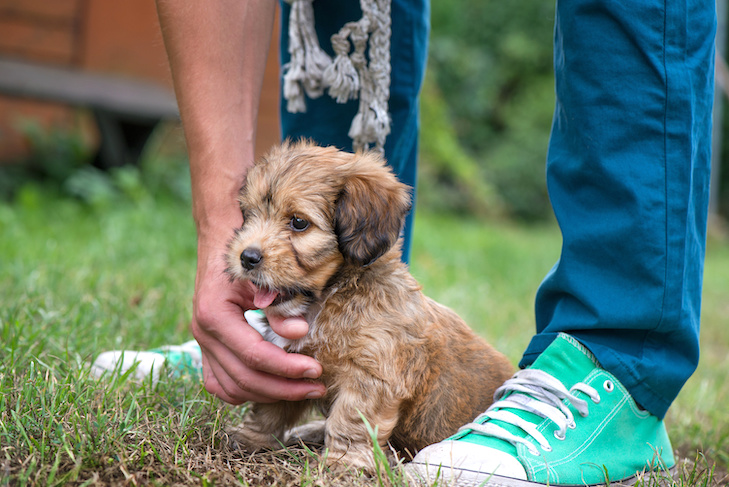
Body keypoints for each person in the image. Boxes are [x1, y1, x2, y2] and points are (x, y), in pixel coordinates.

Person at [97, 0, 715, 485]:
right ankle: (274, 334)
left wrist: (347, 451)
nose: (254, 241)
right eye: (254, 216)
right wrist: (217, 231)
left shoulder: (367, 241)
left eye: (296, 224)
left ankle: (614, 359)